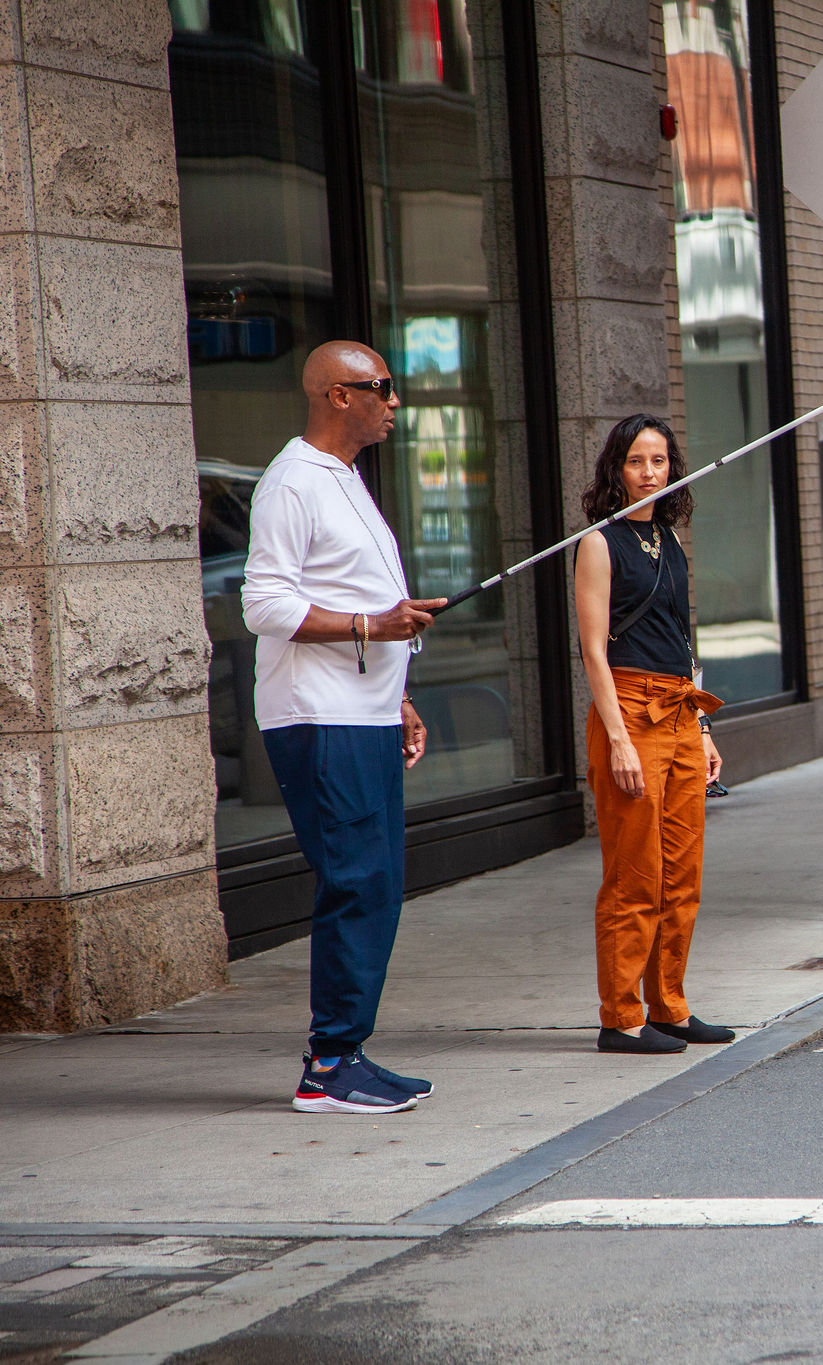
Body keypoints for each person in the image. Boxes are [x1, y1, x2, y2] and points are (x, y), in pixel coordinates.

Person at [241, 342, 448, 1114]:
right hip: (318, 717)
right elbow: (264, 605)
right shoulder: (293, 481)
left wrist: (395, 694)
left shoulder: (346, 479)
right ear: (336, 395)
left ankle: (347, 1051)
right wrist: (373, 626)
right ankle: (328, 1067)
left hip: (361, 713)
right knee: (357, 881)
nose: (394, 402)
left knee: (380, 882)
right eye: (381, 388)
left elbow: (367, 599)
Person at [574, 415, 737, 1054]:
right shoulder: (599, 542)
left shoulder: (669, 541)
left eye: (660, 460)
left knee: (682, 872)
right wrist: (616, 737)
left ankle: (668, 1005)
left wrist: (702, 727)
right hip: (630, 711)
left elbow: (679, 641)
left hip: (678, 710)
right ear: (616, 469)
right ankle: (621, 1016)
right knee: (634, 875)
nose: (650, 472)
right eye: (637, 461)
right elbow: (592, 650)